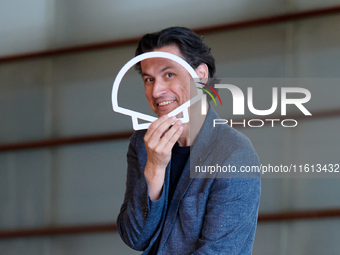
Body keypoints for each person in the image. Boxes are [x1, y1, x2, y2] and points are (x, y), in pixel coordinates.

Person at [117, 27, 261, 254]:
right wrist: (154, 168)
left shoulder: (234, 153)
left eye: (169, 75)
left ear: (201, 75)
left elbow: (220, 251)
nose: (156, 91)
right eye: (149, 79)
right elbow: (135, 237)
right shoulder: (144, 144)